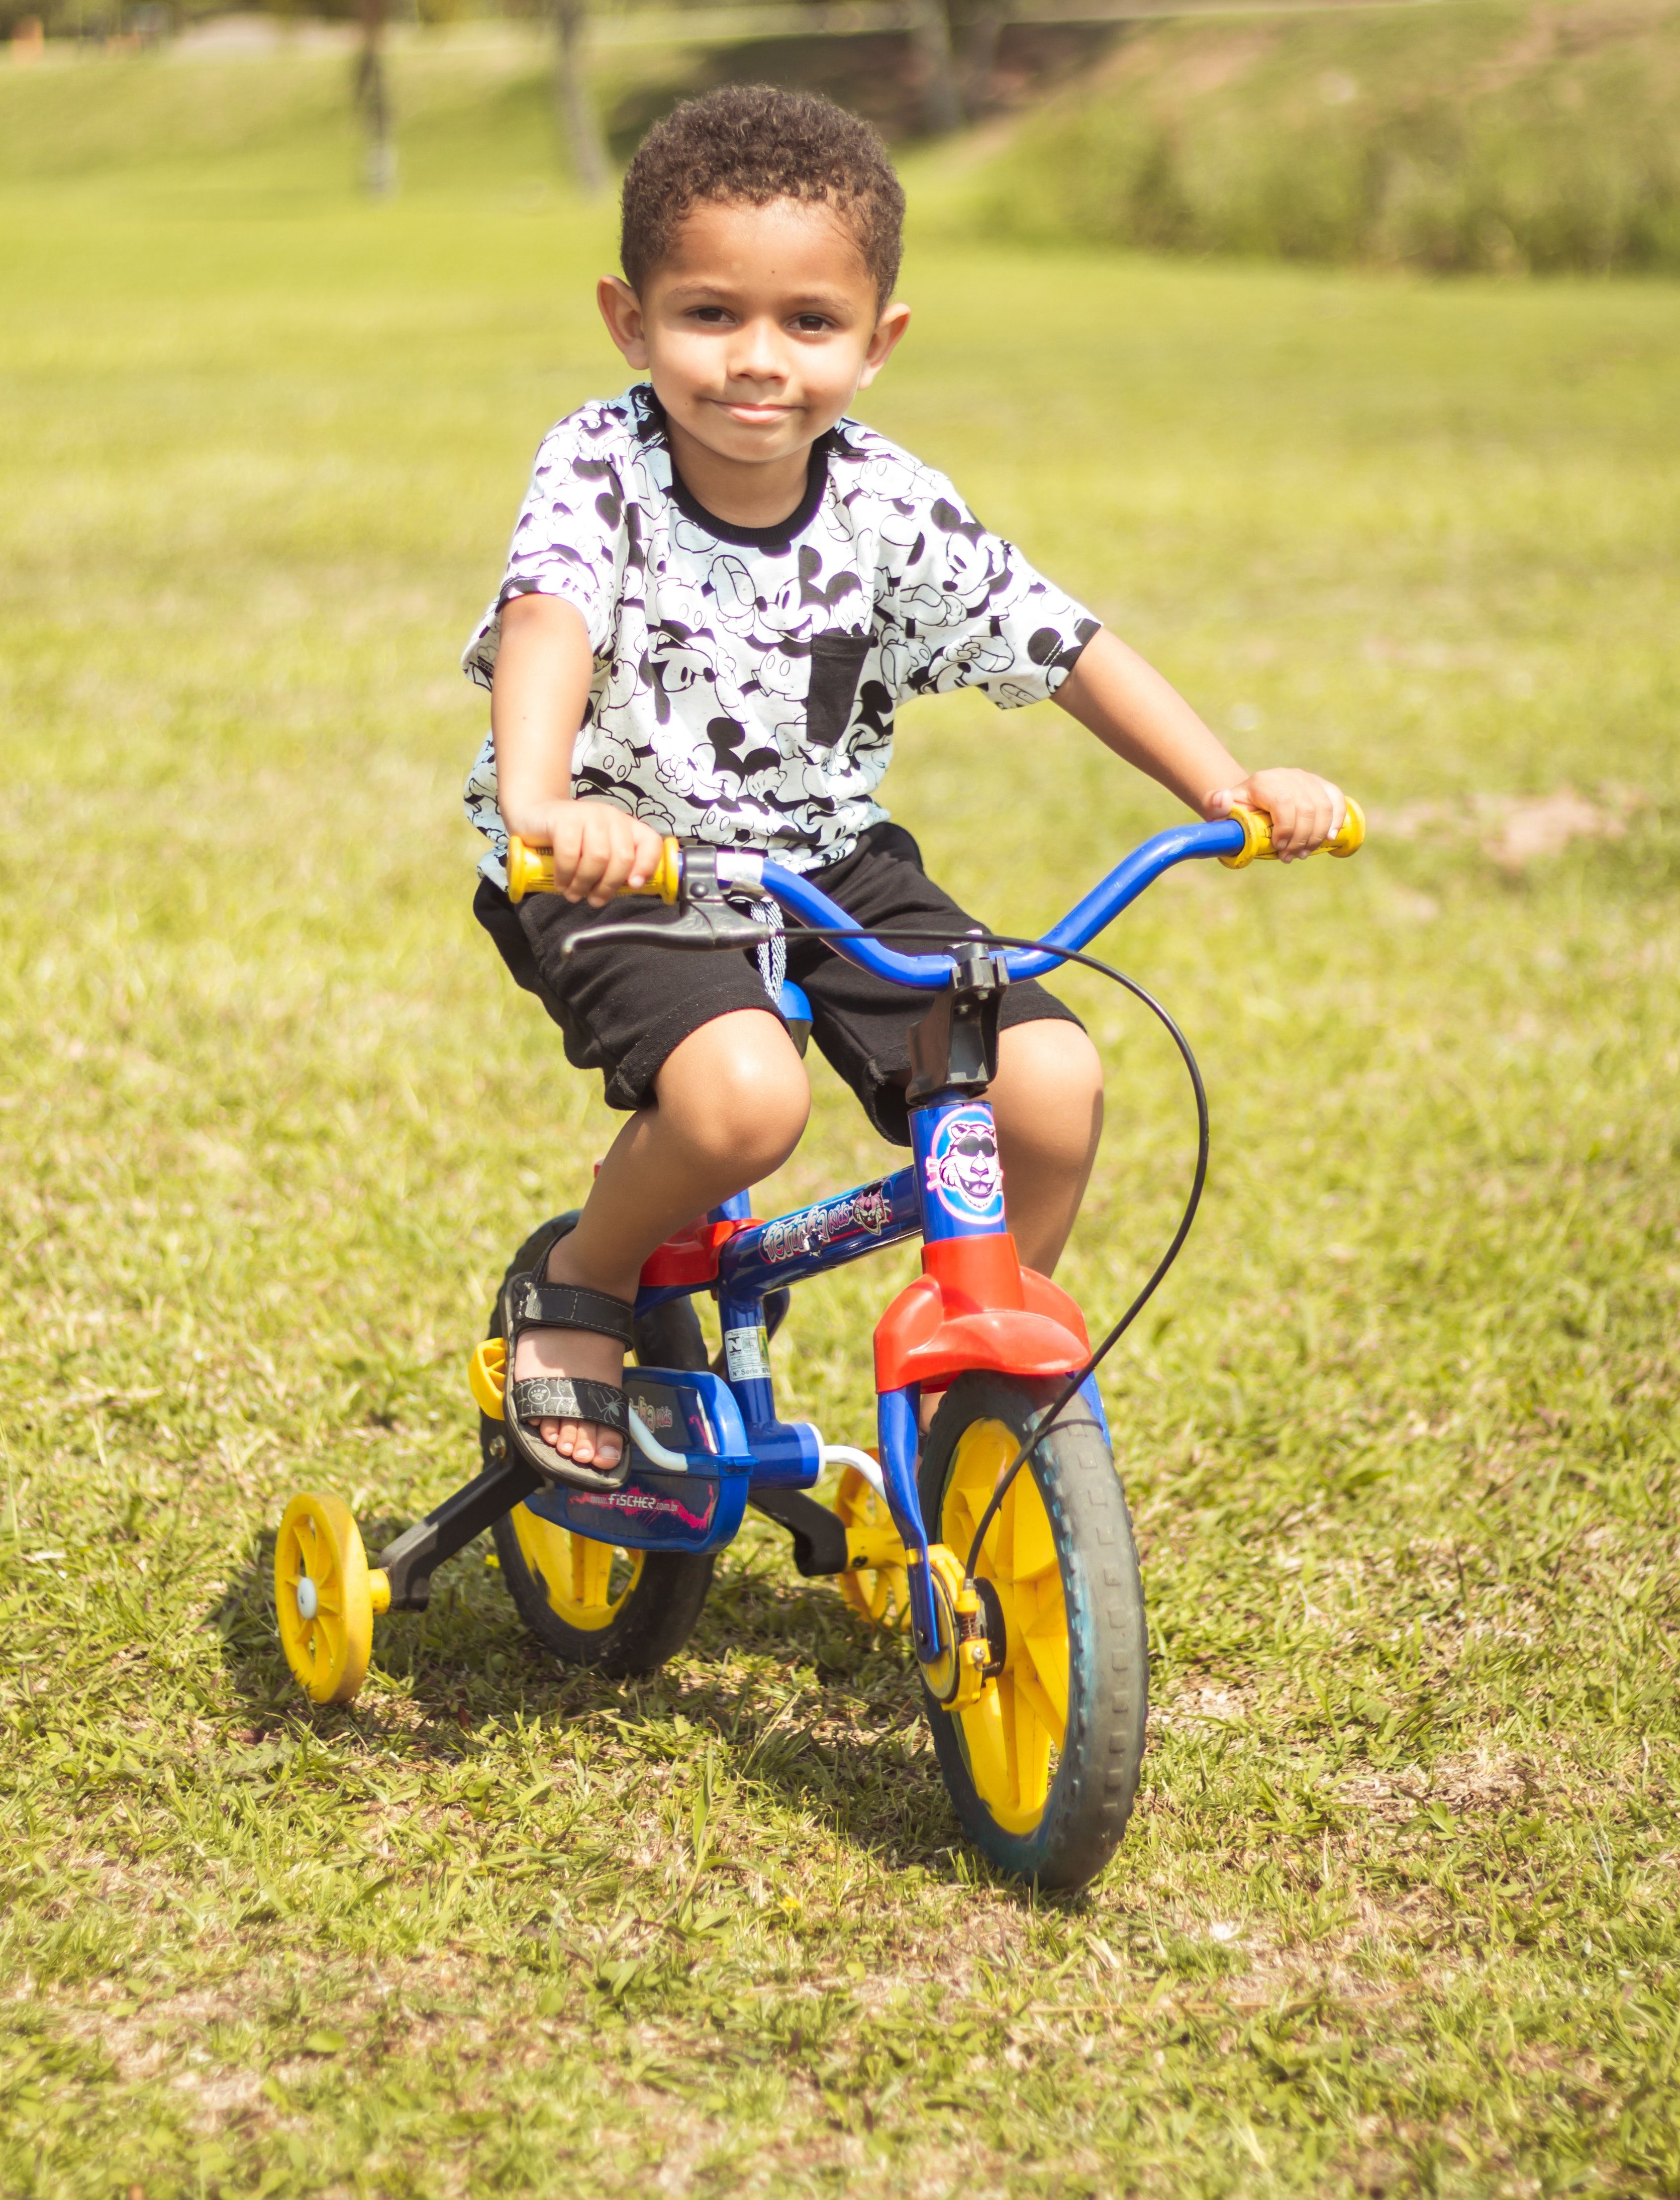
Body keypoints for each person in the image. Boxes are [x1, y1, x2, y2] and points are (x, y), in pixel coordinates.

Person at [462, 85, 1346, 1489]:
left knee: (1050, 1078)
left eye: (809, 324)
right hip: (629, 861)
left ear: (877, 346)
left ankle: (983, 1382)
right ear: (631, 322)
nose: (760, 361)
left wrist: (1227, 784)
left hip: (832, 864)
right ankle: (583, 1281)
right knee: (745, 1100)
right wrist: (544, 805)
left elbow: (1063, 644)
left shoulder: (891, 502)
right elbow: (548, 618)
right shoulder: (603, 466)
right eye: (709, 315)